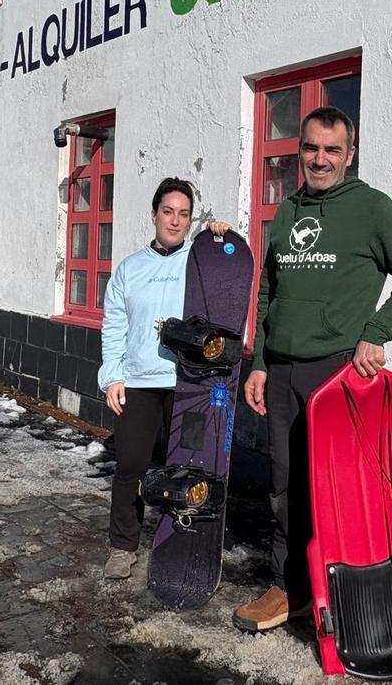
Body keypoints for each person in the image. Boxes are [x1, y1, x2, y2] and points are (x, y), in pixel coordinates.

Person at [232, 106, 392, 632]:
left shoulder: (371, 209)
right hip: (281, 375)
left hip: (337, 373)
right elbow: (269, 291)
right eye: (311, 149)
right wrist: (259, 363)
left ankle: (351, 598)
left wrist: (376, 332)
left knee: (342, 487)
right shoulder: (286, 212)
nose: (320, 160)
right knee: (284, 486)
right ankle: (290, 588)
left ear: (349, 153)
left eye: (331, 150)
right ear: (299, 150)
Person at [98, 177, 231, 579]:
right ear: (154, 214)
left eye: (184, 214)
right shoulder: (130, 269)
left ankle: (183, 543)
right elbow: (114, 326)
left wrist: (218, 238)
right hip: (139, 383)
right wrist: (113, 377)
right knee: (130, 467)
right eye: (168, 212)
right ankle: (123, 548)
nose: (175, 221)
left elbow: (228, 279)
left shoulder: (197, 262)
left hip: (187, 384)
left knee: (189, 468)